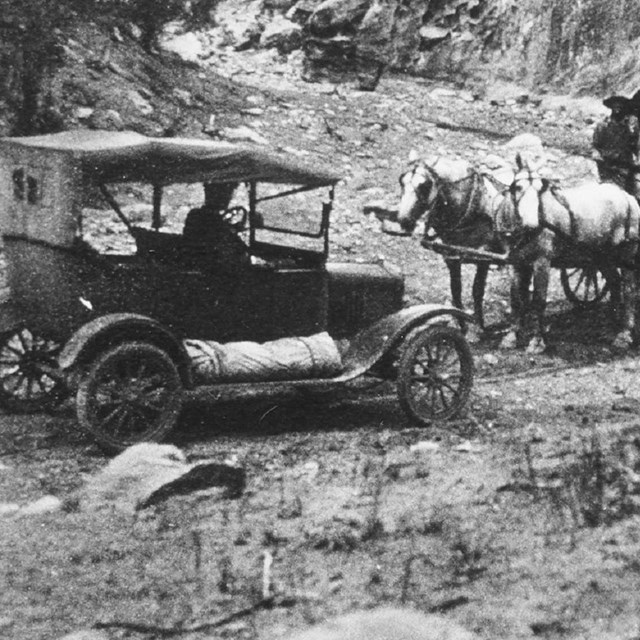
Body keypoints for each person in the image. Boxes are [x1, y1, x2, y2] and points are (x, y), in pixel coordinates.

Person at [183, 182, 250, 275]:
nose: (228, 198)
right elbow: (219, 236)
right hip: (209, 264)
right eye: (226, 194)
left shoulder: (200, 215)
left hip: (204, 260)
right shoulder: (205, 217)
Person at [592, 90, 640, 198]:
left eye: (620, 104)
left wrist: (637, 159)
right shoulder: (603, 126)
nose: (618, 107)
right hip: (606, 167)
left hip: (626, 167)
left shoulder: (631, 126)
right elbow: (595, 146)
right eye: (615, 104)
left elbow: (636, 145)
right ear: (611, 107)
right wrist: (596, 155)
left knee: (633, 196)